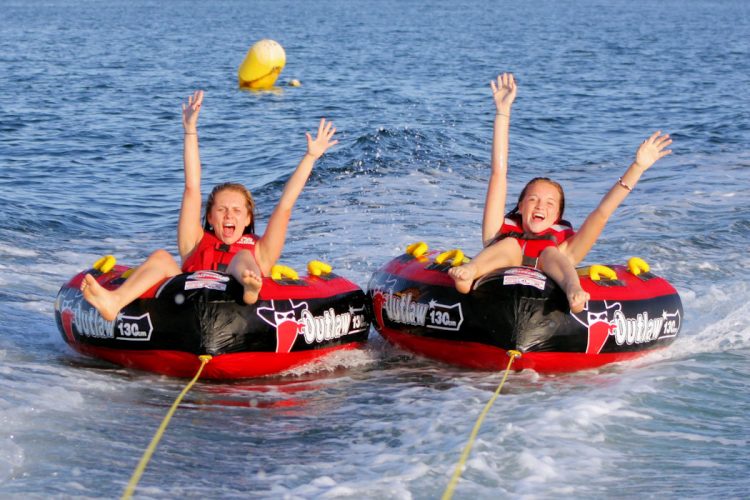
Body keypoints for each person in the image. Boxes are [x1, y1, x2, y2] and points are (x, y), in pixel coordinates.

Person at [81, 90, 338, 321]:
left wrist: (310, 156)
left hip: (244, 310)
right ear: (210, 217)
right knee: (161, 257)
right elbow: (192, 187)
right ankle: (114, 302)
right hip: (182, 306)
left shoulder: (260, 251)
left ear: (248, 219)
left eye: (237, 211)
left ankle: (250, 289)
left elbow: (284, 205)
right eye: (222, 210)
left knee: (242, 257)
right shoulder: (194, 241)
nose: (229, 215)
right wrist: (190, 129)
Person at [448, 73, 672, 313]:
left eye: (549, 203)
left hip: (555, 273)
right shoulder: (497, 233)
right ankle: (470, 273)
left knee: (551, 254)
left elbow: (602, 212)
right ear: (521, 206)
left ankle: (573, 290)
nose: (540, 206)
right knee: (510, 245)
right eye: (533, 199)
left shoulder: (566, 247)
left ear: (557, 216)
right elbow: (498, 173)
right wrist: (503, 112)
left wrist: (636, 168)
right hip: (499, 277)